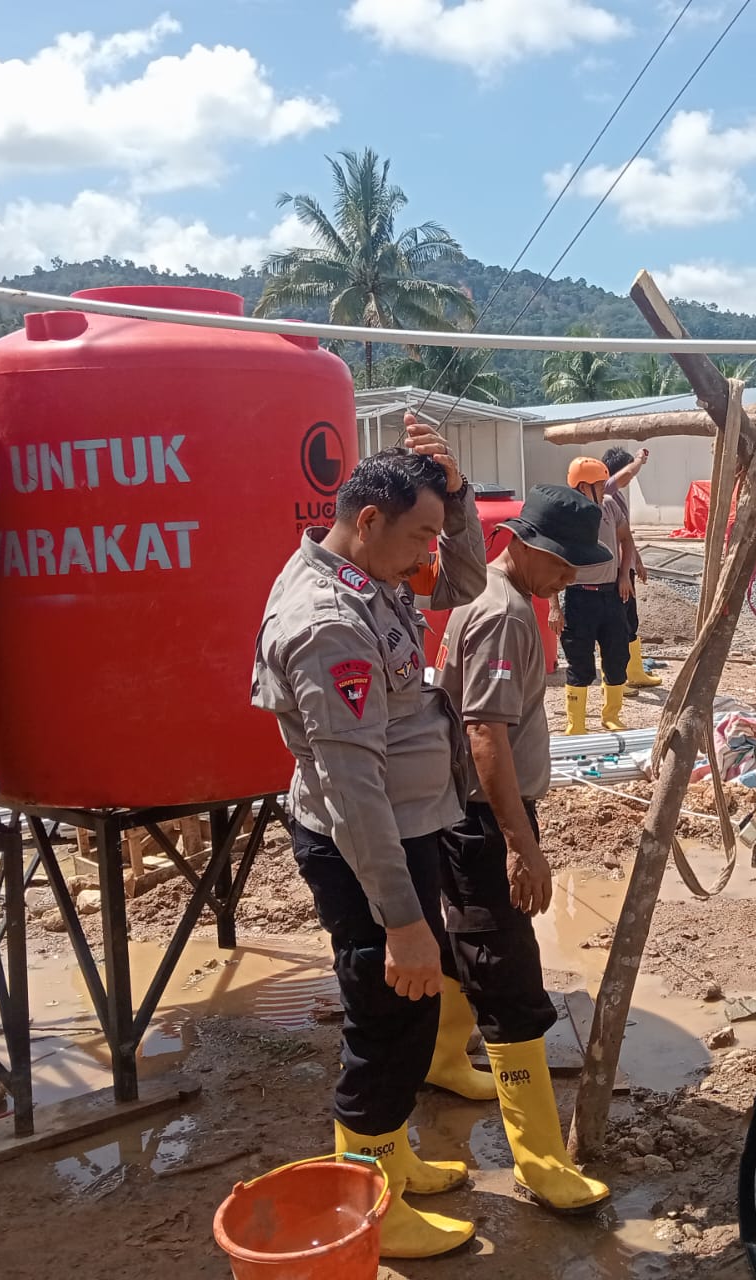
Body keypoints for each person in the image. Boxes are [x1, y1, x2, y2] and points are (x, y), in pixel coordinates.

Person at [251, 441, 487, 1259]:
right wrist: (402, 921)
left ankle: (385, 1159)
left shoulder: (369, 576)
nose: (433, 549)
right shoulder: (329, 626)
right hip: (367, 845)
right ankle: (368, 1201)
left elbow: (463, 582)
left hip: (401, 826)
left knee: (406, 1013)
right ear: (371, 519)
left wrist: (453, 497)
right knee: (386, 1014)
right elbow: (353, 791)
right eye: (423, 533)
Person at [436, 484, 613, 1214]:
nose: (571, 577)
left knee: (462, 948)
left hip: (466, 812)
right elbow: (485, 736)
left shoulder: (496, 600)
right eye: (565, 565)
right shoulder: (505, 616)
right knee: (509, 976)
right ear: (528, 546)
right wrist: (521, 845)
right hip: (484, 818)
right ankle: (540, 1160)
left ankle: (445, 1061)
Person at [552, 457, 633, 735]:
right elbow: (551, 562)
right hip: (579, 599)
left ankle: (611, 715)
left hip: (611, 597)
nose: (605, 487)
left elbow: (627, 540)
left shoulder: (610, 507)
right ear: (584, 487)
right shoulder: (565, 517)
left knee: (616, 657)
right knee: (579, 662)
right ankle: (576, 724)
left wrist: (624, 575)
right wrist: (554, 607)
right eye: (600, 483)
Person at [602, 445, 663, 695]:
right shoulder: (606, 488)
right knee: (615, 624)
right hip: (611, 570)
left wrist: (636, 560)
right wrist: (639, 459)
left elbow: (625, 534)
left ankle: (634, 672)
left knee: (630, 621)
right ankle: (616, 679)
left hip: (623, 567)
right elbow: (628, 474)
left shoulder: (617, 497)